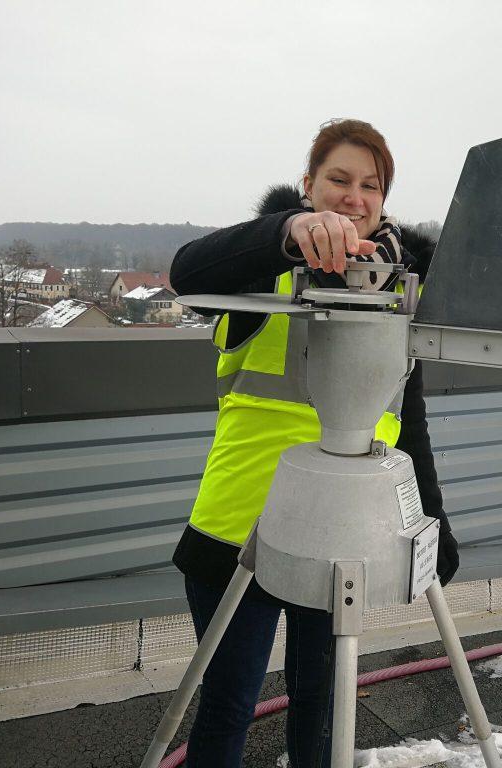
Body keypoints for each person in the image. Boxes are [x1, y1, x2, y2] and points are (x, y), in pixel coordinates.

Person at [169, 118, 459, 768]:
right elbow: (187, 272)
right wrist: (287, 236)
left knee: (323, 706)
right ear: (308, 185)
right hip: (237, 538)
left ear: (383, 200)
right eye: (338, 180)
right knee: (227, 706)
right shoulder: (260, 271)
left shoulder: (396, 295)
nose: (353, 197)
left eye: (370, 185)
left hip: (342, 538)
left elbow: (407, 420)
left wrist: (433, 518)